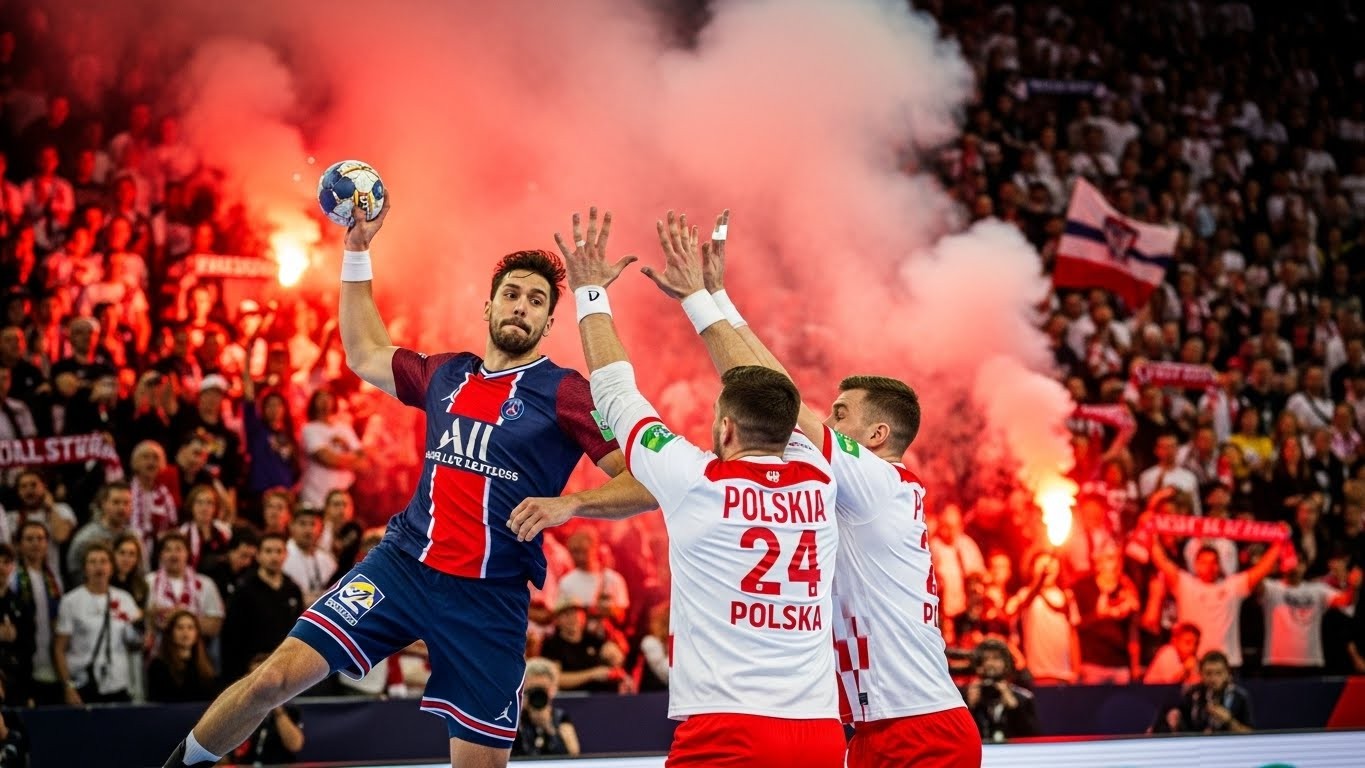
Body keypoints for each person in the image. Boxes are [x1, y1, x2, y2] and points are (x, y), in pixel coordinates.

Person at [163, 196, 654, 768]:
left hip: (490, 600)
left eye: (536, 300)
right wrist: (356, 250)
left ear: (548, 324)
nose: (521, 306)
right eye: (512, 294)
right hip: (401, 570)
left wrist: (571, 504)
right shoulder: (447, 373)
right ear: (488, 306)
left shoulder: (565, 392)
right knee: (272, 680)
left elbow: (646, 483)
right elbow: (364, 350)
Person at [556, 209, 977, 765]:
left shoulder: (869, 483)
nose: (821, 420)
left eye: (840, 415)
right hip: (842, 728)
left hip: (905, 724)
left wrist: (670, 298)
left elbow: (778, 402)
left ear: (877, 435)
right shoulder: (820, 482)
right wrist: (716, 298)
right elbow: (775, 395)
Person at [514, 208, 845, 766]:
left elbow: (614, 390)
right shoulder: (820, 475)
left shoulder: (696, 480)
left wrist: (590, 290)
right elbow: (775, 393)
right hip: (819, 729)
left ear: (726, 428)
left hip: (729, 728)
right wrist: (703, 298)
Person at [1151, 533, 1282, 669]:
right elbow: (1161, 561)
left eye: (1213, 562)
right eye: (1204, 562)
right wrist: (1151, 533)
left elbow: (1261, 570)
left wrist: (1279, 543)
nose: (1209, 567)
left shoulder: (1233, 586)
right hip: (1193, 661)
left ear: (1219, 565)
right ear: (1196, 565)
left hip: (1228, 662)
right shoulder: (1184, 584)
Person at [53, 544, 142, 704]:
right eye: (92, 562)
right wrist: (68, 687)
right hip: (83, 682)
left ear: (111, 568)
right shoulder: (71, 601)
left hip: (118, 683)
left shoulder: (125, 599)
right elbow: (59, 648)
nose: (99, 567)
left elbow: (136, 639)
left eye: (103, 561)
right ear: (85, 569)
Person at [219, 533, 303, 681]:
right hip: (251, 669)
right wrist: (243, 669)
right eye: (268, 551)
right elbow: (231, 635)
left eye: (279, 551)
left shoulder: (293, 589)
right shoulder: (244, 590)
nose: (274, 557)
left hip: (286, 667)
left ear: (286, 555)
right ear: (258, 555)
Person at [964, 638, 1040, 742]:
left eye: (996, 658)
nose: (990, 663)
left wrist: (1015, 709)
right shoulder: (965, 697)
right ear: (978, 665)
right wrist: (969, 708)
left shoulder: (1023, 698)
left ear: (1006, 664)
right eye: (985, 659)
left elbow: (1034, 739)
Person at [1166, 651, 1254, 733]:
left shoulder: (1240, 696)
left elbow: (1251, 734)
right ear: (1201, 673)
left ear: (1227, 673)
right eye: (1208, 673)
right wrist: (1175, 723)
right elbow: (1183, 731)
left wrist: (1229, 721)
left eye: (1219, 673)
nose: (1213, 679)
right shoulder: (1192, 694)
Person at [511, 657, 580, 757]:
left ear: (553, 690)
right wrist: (519, 720)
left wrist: (549, 728)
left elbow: (574, 754)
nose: (537, 695)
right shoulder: (514, 717)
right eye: (532, 689)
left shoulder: (560, 717)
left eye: (543, 690)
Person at [146, 610, 219, 702]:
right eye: (180, 628)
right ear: (171, 633)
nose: (185, 632)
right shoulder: (158, 666)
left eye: (190, 627)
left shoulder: (207, 665)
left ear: (197, 633)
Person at [1143, 622, 1203, 686]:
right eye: (1187, 642)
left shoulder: (1191, 658)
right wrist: (1186, 669)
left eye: (1196, 644)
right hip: (1149, 691)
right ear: (1175, 641)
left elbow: (1197, 682)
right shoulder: (1168, 653)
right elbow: (1172, 684)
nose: (1192, 648)